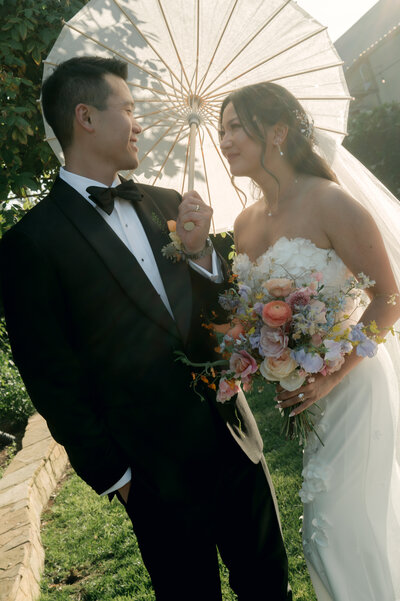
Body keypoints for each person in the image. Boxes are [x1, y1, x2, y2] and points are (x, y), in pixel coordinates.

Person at [0, 57, 292, 600]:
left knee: (270, 586)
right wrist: (119, 479)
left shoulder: (166, 203)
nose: (139, 125)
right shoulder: (30, 244)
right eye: (129, 109)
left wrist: (201, 253)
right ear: (86, 117)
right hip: (153, 474)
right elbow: (50, 377)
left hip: (234, 441)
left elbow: (219, 312)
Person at [219, 81, 400, 601]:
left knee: (344, 530)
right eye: (221, 130)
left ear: (277, 132)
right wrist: (261, 353)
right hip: (305, 398)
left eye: (236, 127)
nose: (225, 141)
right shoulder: (243, 223)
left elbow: (389, 299)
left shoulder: (331, 202)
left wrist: (331, 374)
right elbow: (246, 316)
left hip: (353, 386)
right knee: (324, 533)